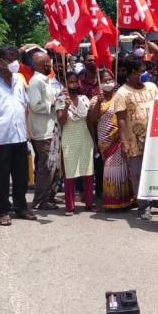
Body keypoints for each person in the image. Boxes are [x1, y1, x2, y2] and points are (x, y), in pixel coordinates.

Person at [0, 46, 35, 226]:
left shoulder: (19, 79)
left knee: (21, 176)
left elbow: (24, 106)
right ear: (0, 62)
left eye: (15, 59)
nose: (14, 64)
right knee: (0, 177)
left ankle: (21, 206)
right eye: (10, 60)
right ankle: (3, 210)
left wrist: (26, 131)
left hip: (19, 136)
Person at [114, 58, 158, 221]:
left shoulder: (152, 87)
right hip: (134, 141)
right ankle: (143, 205)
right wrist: (124, 142)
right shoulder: (122, 93)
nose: (145, 74)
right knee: (138, 174)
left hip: (154, 139)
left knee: (156, 171)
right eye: (141, 71)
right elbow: (120, 119)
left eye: (144, 70)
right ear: (131, 73)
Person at [88, 68, 134, 210]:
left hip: (121, 137)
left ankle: (126, 200)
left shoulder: (120, 96)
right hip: (105, 140)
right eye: (104, 80)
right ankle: (112, 201)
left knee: (123, 169)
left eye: (110, 79)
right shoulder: (96, 99)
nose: (108, 82)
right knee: (111, 169)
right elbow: (92, 120)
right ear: (99, 83)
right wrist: (98, 104)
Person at [56, 72, 95, 215]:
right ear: (66, 85)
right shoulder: (60, 100)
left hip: (85, 138)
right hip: (69, 139)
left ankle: (89, 203)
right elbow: (61, 121)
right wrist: (66, 107)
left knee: (88, 172)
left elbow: (89, 121)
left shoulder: (84, 98)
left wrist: (93, 140)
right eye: (70, 82)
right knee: (70, 174)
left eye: (75, 81)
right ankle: (70, 206)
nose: (73, 84)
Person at [25, 51, 60, 211]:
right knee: (45, 166)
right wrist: (54, 104)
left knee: (52, 165)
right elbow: (36, 105)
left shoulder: (45, 81)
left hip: (51, 127)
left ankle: (49, 196)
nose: (49, 65)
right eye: (46, 63)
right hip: (42, 130)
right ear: (38, 65)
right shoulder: (35, 82)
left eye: (49, 62)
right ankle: (40, 200)